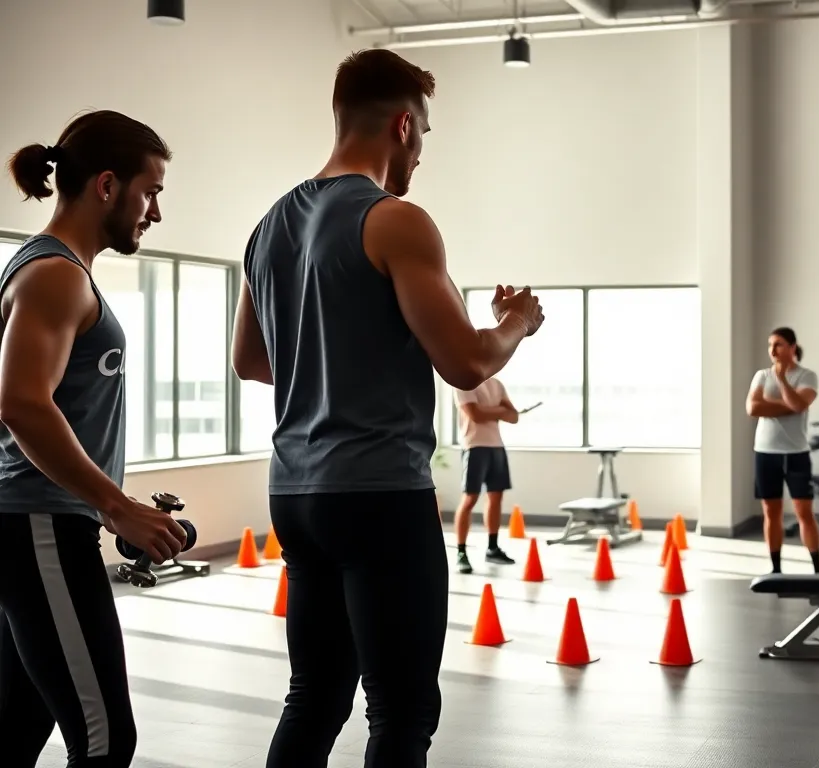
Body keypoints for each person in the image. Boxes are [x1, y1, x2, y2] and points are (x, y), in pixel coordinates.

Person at [230, 49, 544, 768]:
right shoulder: (396, 220)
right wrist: (519, 322)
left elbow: (251, 361)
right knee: (402, 714)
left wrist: (339, 350)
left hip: (296, 494)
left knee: (313, 697)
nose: (422, 152)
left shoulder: (269, 225)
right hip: (377, 494)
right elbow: (466, 360)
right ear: (403, 125)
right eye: (425, 133)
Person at [0, 111, 187, 768]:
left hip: (37, 525)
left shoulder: (54, 268)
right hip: (41, 527)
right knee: (106, 740)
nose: (156, 211)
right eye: (152, 190)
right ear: (108, 185)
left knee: (17, 729)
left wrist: (114, 504)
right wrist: (116, 506)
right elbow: (22, 402)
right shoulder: (55, 275)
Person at [745, 327, 819, 575]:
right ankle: (775, 568)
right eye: (770, 345)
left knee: (804, 512)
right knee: (771, 511)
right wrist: (787, 406)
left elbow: (800, 404)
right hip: (765, 452)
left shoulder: (807, 376)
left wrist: (781, 381)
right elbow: (754, 408)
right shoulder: (761, 375)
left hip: (796, 453)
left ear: (792, 347)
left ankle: (817, 568)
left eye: (778, 344)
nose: (773, 350)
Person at [452, 376, 522, 573]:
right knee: (470, 499)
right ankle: (461, 552)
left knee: (496, 497)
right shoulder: (463, 382)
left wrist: (490, 412)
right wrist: (500, 412)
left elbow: (514, 416)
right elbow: (474, 414)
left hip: (496, 447)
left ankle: (492, 548)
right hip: (474, 447)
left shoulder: (497, 384)